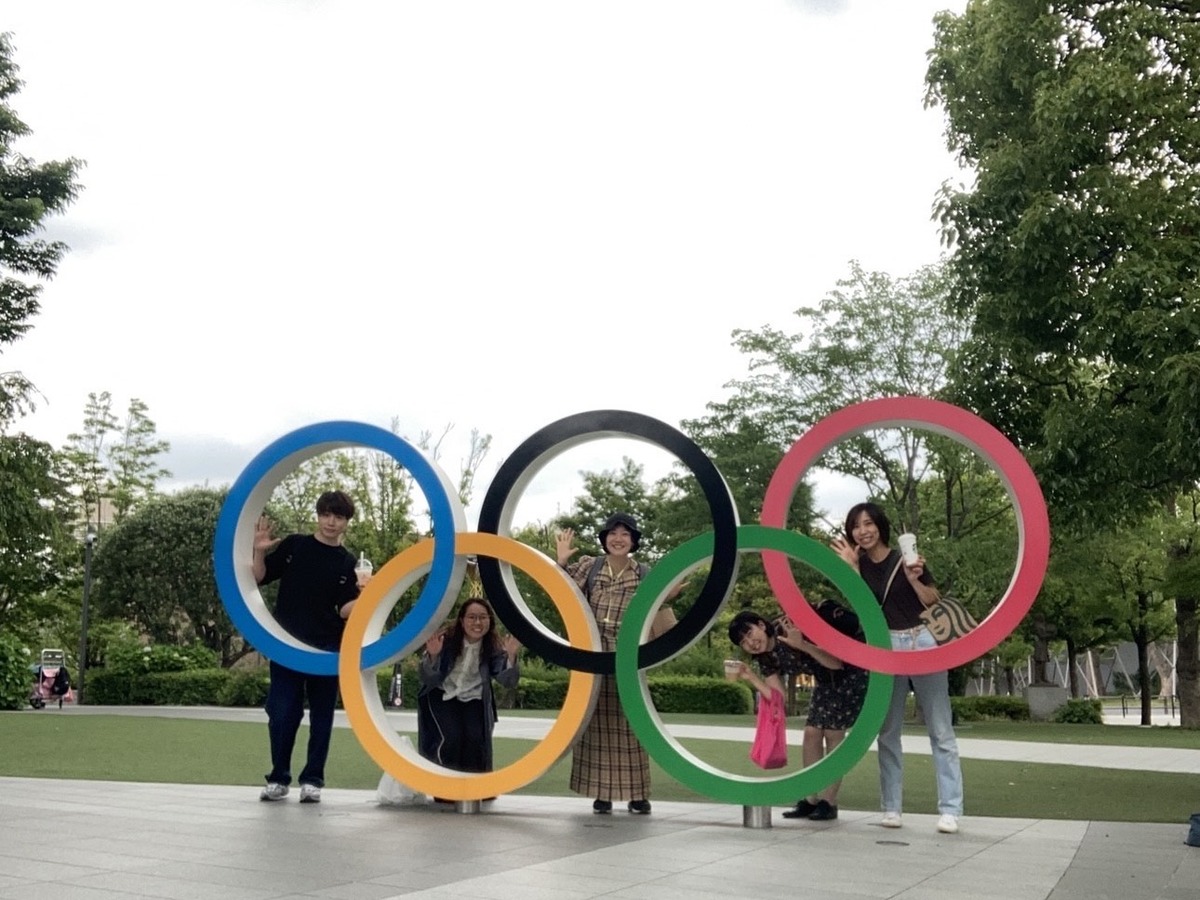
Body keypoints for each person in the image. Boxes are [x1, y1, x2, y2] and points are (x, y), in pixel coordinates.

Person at [832, 501, 964, 834]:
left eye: (868, 523)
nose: (862, 531)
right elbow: (865, 609)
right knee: (888, 730)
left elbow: (933, 599)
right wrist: (852, 571)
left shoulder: (905, 557)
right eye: (856, 526)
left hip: (923, 641)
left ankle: (950, 810)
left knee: (940, 729)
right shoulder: (857, 564)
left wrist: (914, 579)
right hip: (885, 646)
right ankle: (891, 807)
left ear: (880, 526)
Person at [556, 512, 679, 815]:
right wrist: (561, 562)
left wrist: (666, 597)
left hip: (629, 659)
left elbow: (659, 612)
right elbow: (562, 592)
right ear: (604, 538)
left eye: (625, 534)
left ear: (634, 541)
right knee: (595, 725)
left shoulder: (645, 573)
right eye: (613, 533)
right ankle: (601, 794)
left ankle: (637, 794)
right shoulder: (590, 566)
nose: (618, 538)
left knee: (633, 727)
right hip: (595, 658)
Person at [252, 490, 367, 804]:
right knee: (281, 712)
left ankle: (313, 780)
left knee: (322, 716)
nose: (331, 522)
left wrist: (368, 594)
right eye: (326, 514)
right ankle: (278, 778)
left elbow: (345, 610)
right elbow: (260, 576)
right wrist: (259, 551)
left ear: (346, 521)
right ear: (318, 515)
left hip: (327, 647)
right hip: (286, 645)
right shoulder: (295, 546)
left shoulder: (348, 562)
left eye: (339, 517)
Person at [727, 607, 867, 821]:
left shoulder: (789, 628)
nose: (750, 643)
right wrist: (751, 677)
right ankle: (810, 799)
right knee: (811, 733)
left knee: (833, 733)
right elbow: (778, 698)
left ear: (761, 625)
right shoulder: (765, 658)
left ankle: (829, 802)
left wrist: (802, 645)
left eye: (749, 633)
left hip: (850, 673)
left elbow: (836, 663)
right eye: (743, 642)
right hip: (824, 680)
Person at [416, 597, 521, 779]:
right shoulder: (445, 641)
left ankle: (474, 786)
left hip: (475, 698)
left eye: (483, 617)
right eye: (472, 617)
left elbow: (507, 681)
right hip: (443, 695)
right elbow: (427, 678)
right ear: (462, 620)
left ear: (490, 621)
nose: (477, 623)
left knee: (476, 739)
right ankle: (445, 784)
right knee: (451, 737)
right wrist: (433, 656)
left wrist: (511, 655)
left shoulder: (492, 647)